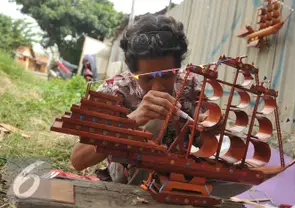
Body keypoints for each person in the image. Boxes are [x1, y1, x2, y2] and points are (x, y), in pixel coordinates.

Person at [70, 14, 251, 198]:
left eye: (167, 75)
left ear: (178, 67)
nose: (159, 87)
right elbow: (78, 159)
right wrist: (132, 121)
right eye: (147, 79)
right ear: (133, 72)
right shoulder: (113, 91)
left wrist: (209, 127)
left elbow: (202, 143)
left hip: (177, 170)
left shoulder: (189, 85)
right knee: (155, 121)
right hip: (128, 180)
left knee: (240, 176)